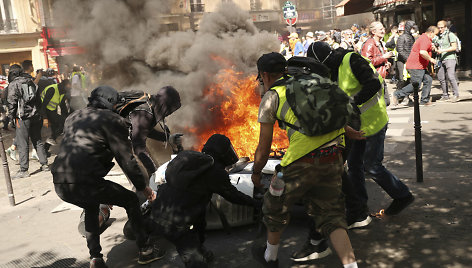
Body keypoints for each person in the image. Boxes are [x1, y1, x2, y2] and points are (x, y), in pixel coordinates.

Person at [251, 52, 357, 268]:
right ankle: (351, 266)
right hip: (332, 156)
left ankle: (270, 258)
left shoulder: (273, 96)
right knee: (332, 215)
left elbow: (263, 147)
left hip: (298, 164)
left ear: (264, 75)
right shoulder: (309, 84)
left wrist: (256, 171)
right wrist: (348, 130)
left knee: (274, 207)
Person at [52, 86, 165, 268]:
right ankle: (146, 250)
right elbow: (126, 160)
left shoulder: (73, 117)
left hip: (60, 182)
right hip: (86, 181)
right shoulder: (111, 120)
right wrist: (145, 188)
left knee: (91, 206)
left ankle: (95, 258)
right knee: (131, 200)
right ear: (111, 103)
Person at [308, 42, 415, 226]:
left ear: (324, 60)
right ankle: (359, 211)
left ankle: (402, 195)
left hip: (374, 123)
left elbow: (373, 83)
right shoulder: (330, 71)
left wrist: (351, 102)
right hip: (354, 127)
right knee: (355, 166)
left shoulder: (352, 60)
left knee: (372, 166)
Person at [150, 134, 261, 267]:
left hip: (158, 210)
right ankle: (196, 255)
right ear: (222, 153)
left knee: (200, 220)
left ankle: (199, 248)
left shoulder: (192, 161)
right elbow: (233, 196)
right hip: (176, 224)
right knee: (197, 263)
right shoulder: (214, 171)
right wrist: (258, 204)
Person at [117, 86, 182, 182]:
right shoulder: (144, 112)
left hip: (121, 138)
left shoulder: (150, 104)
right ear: (165, 104)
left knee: (148, 176)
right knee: (143, 180)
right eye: (170, 109)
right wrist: (155, 173)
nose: (169, 113)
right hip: (113, 138)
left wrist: (168, 137)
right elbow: (139, 148)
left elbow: (144, 130)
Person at [6, 63, 49, 179]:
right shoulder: (31, 81)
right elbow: (39, 100)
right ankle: (44, 164)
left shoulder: (13, 84)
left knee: (22, 143)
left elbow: (11, 103)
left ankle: (24, 170)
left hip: (22, 117)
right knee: (37, 140)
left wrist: (11, 118)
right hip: (35, 115)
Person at [393, 26, 439, 106]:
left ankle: (424, 100)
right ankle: (398, 94)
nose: (436, 36)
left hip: (419, 65)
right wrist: (431, 59)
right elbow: (422, 52)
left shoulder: (424, 38)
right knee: (416, 85)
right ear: (431, 32)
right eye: (435, 34)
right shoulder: (425, 39)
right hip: (416, 65)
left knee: (428, 80)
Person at [434, 20, 461, 103]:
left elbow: (454, 47)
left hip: (450, 58)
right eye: (439, 28)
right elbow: (437, 47)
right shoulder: (439, 37)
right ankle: (445, 95)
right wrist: (435, 48)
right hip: (440, 59)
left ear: (445, 27)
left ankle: (456, 95)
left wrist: (443, 50)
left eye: (442, 27)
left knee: (450, 76)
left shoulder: (450, 35)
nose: (440, 29)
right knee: (441, 77)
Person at [39, 79, 70, 146]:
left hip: (51, 110)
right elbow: (43, 106)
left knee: (61, 124)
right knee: (60, 123)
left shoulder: (62, 92)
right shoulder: (52, 89)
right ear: (63, 86)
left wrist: (68, 118)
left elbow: (63, 107)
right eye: (67, 87)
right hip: (42, 110)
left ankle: (48, 143)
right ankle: (50, 139)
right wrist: (45, 118)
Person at [396, 21, 416, 91]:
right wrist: (407, 59)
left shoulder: (412, 37)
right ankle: (399, 94)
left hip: (410, 60)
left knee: (410, 79)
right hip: (402, 61)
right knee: (402, 79)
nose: (413, 29)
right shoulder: (402, 37)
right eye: (412, 27)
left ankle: (406, 95)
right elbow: (400, 50)